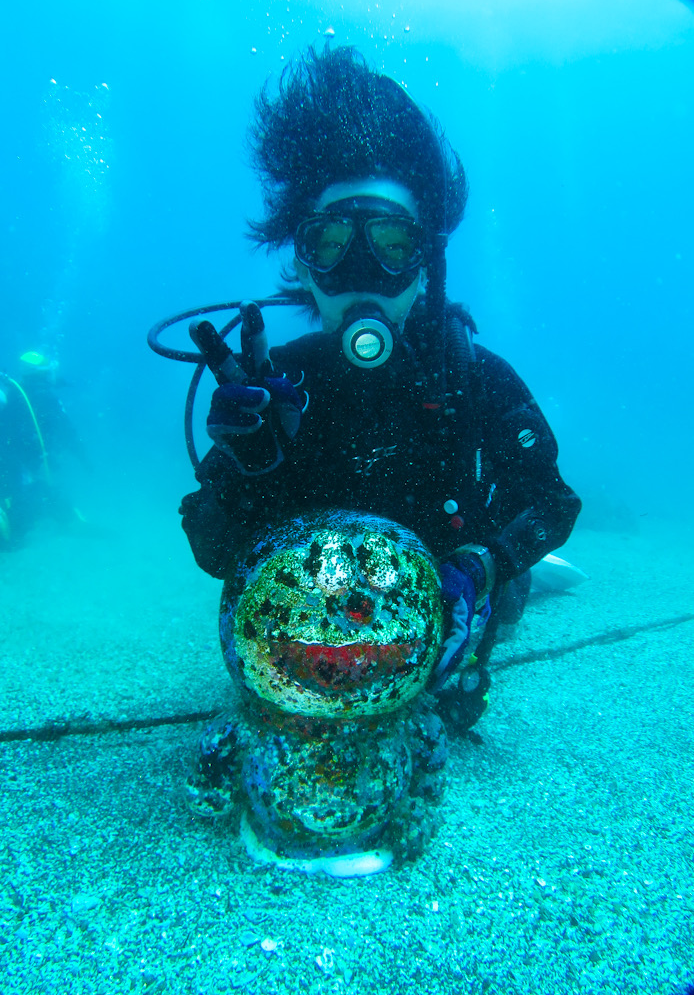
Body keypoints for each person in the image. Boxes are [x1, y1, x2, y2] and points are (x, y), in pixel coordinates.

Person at [179, 46, 581, 732]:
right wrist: (247, 472)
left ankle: (537, 582)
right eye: (332, 241)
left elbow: (552, 500)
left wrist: (487, 565)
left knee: (516, 599)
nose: (362, 267)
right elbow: (217, 551)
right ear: (304, 267)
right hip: (329, 595)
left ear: (426, 265)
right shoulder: (273, 386)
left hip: (454, 578)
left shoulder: (473, 374)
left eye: (393, 243)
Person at [0, 351, 88, 548]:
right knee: (35, 500)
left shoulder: (14, 392)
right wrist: (85, 461)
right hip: (19, 463)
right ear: (43, 374)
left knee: (20, 494)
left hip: (9, 461)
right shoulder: (45, 398)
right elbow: (69, 433)